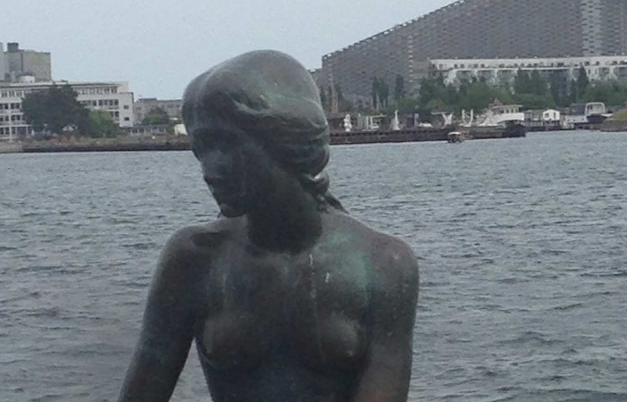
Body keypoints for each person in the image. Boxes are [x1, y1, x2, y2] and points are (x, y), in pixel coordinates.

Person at [118, 50, 420, 402]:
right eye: (201, 148)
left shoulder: (383, 266)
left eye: (226, 144)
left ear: (287, 140)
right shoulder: (193, 260)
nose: (209, 169)